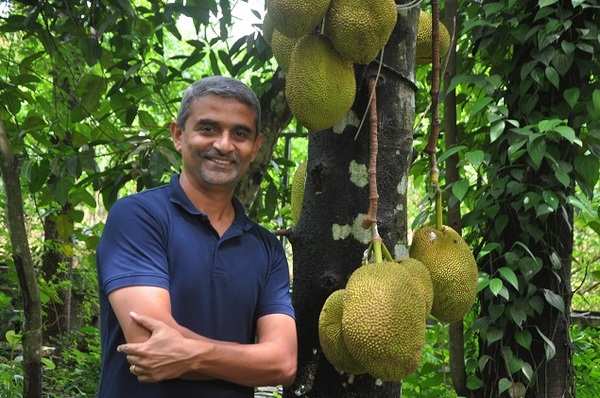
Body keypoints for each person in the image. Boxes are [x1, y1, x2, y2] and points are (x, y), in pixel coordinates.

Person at [96, 76, 297, 397]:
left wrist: (190, 353)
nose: (224, 144)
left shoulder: (266, 248)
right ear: (178, 135)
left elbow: (283, 363)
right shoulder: (138, 217)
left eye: (240, 133)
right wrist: (247, 359)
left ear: (256, 147)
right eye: (208, 129)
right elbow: (148, 345)